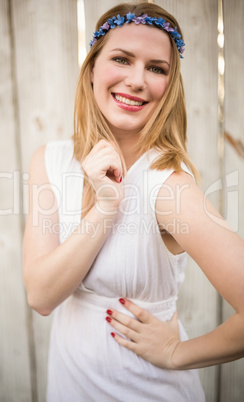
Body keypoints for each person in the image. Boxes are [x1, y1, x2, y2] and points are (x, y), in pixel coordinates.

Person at [22, 2, 244, 401]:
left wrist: (177, 353)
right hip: (70, 386)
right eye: (122, 59)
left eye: (156, 68)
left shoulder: (168, 187)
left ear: (168, 85)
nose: (137, 80)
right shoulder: (50, 160)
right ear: (91, 69)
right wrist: (105, 207)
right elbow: (41, 296)